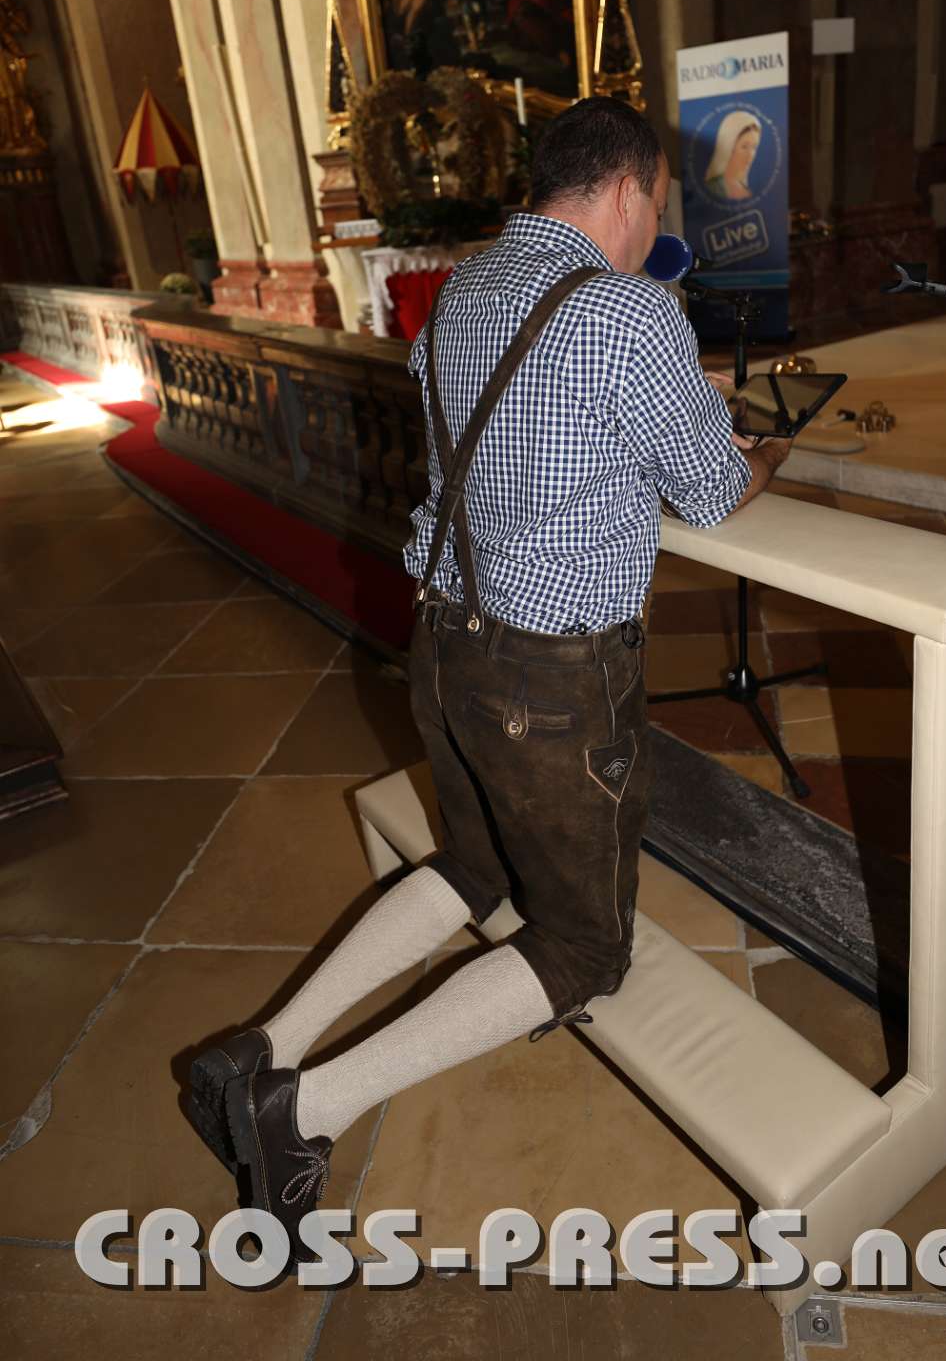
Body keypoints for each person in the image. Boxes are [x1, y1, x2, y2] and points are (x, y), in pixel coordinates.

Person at [184, 98, 790, 1262]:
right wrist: (761, 452)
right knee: (581, 949)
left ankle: (259, 1047)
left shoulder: (461, 291)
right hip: (553, 680)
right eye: (654, 206)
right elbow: (710, 492)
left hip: (445, 640)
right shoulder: (627, 311)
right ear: (626, 190)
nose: (650, 228)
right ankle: (301, 1110)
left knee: (471, 864)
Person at [705, 109, 762, 200]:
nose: (750, 155)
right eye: (744, 147)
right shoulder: (712, 188)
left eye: (754, 147)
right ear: (729, 146)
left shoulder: (745, 190)